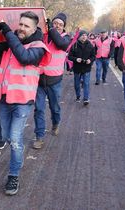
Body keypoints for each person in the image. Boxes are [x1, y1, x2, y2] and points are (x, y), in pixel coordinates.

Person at [0, 11, 50, 195]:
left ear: (34, 29)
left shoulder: (38, 46)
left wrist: (8, 33)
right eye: (21, 24)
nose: (22, 29)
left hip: (22, 102)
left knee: (15, 140)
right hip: (4, 99)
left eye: (26, 26)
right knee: (7, 137)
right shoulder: (11, 43)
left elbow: (25, 58)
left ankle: (13, 175)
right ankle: (18, 157)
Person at [32, 12, 70, 150]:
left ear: (64, 27)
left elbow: (60, 44)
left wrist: (51, 29)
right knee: (39, 109)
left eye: (60, 24)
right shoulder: (43, 36)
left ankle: (56, 123)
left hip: (55, 81)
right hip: (39, 80)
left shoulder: (66, 38)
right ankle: (39, 136)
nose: (57, 26)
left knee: (54, 107)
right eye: (55, 23)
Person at [68, 30, 95, 105]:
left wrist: (90, 60)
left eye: (85, 35)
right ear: (79, 36)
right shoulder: (74, 45)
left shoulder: (90, 45)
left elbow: (93, 56)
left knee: (86, 83)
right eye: (82, 35)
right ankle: (78, 96)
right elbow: (69, 56)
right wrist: (76, 59)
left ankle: (86, 98)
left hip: (86, 67)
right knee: (77, 84)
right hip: (77, 68)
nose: (84, 37)